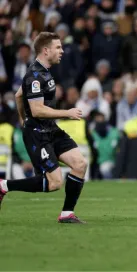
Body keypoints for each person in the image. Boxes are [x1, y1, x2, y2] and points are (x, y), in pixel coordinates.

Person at [0, 32, 88, 224]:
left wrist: (23, 117)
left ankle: (67, 214)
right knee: (54, 182)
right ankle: (4, 185)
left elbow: (18, 95)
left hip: (50, 129)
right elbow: (38, 110)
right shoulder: (35, 76)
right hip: (38, 134)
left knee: (80, 165)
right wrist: (67, 113)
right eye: (58, 47)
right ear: (46, 50)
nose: (62, 51)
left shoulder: (43, 72)